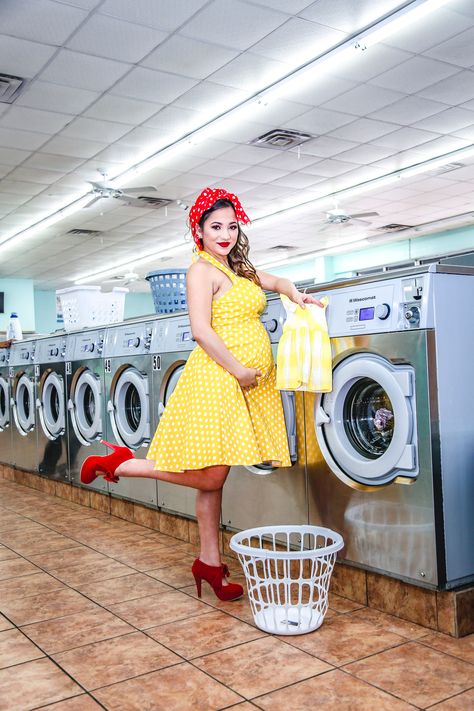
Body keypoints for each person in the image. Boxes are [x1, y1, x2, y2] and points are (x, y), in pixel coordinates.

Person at [81, 187, 322, 601]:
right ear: (199, 230)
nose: (225, 234)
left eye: (231, 226)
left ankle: (209, 563)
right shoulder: (201, 270)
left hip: (243, 383)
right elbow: (200, 330)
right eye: (216, 227)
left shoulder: (239, 267)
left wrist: (294, 293)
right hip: (218, 379)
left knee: (212, 484)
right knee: (212, 473)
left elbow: (276, 279)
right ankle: (122, 464)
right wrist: (240, 371)